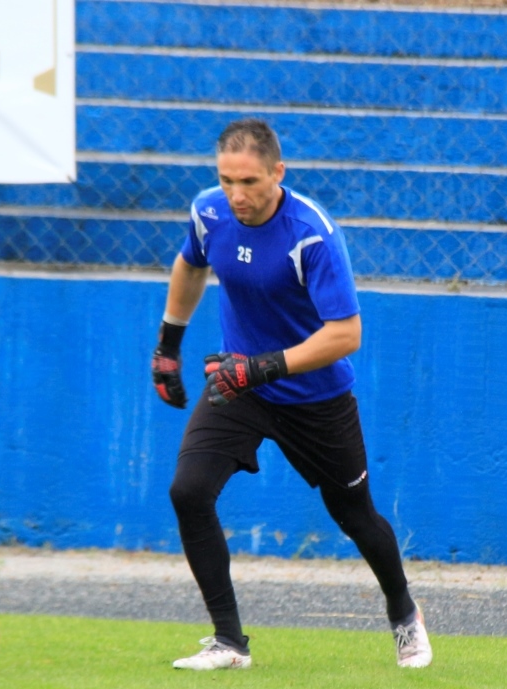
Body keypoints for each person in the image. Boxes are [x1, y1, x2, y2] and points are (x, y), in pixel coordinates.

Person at [150, 118, 432, 671]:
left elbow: (346, 334)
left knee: (355, 516)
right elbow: (190, 263)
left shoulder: (312, 233)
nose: (237, 194)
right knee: (189, 491)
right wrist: (167, 345)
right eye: (227, 179)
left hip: (314, 397)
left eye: (250, 181)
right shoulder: (208, 212)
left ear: (278, 173)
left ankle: (404, 613)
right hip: (241, 385)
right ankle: (229, 643)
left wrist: (258, 369)